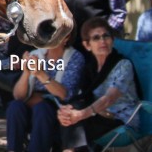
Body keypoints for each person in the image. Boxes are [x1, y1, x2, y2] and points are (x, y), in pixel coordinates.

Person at [57, 17, 141, 151]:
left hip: (121, 121)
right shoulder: (90, 68)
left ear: (112, 40)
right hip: (97, 116)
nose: (102, 41)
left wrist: (80, 114)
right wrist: (65, 112)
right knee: (70, 115)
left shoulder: (123, 65)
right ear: (87, 45)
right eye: (96, 38)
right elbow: (81, 97)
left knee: (80, 121)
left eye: (106, 36)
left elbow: (109, 98)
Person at [5, 29, 84, 152]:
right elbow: (18, 96)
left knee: (42, 108)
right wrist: (26, 72)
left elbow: (64, 95)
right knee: (15, 107)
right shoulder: (36, 54)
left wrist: (41, 74)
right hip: (32, 102)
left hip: (55, 107)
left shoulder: (75, 58)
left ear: (66, 37)